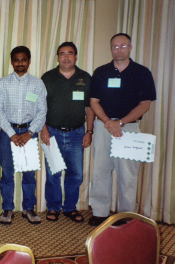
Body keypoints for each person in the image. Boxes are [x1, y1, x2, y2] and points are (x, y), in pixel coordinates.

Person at [88, 33, 156, 226]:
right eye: (115, 47)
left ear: (130, 48)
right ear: (111, 49)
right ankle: (100, 213)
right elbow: (93, 102)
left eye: (122, 46)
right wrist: (109, 122)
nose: (119, 49)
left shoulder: (142, 73)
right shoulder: (101, 72)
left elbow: (145, 105)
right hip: (103, 128)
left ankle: (126, 215)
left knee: (128, 174)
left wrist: (121, 123)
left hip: (130, 129)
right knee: (100, 171)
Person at [41, 42, 94, 223]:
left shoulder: (85, 78)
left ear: (76, 57)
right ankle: (54, 207)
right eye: (62, 54)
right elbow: (40, 108)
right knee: (53, 173)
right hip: (53, 132)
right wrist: (44, 130)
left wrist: (89, 131)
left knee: (76, 174)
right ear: (58, 57)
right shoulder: (47, 78)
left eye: (70, 54)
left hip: (77, 133)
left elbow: (89, 108)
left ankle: (70, 207)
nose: (66, 57)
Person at [0, 46, 47, 225]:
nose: (20, 64)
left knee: (29, 173)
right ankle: (7, 208)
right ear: (11, 62)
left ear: (29, 61)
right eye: (16, 60)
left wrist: (30, 132)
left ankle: (28, 208)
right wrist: (10, 133)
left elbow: (42, 111)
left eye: (23, 60)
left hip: (29, 133)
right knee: (7, 172)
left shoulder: (37, 84)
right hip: (7, 133)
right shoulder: (3, 83)